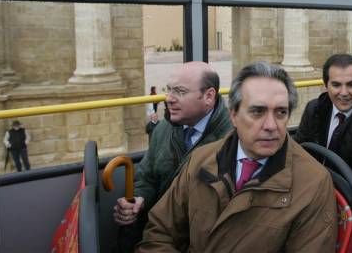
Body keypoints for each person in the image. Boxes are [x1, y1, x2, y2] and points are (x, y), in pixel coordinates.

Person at [137, 62, 338, 252]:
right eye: (257, 112)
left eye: (280, 112)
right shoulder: (200, 159)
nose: (271, 125)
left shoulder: (314, 183)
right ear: (233, 115)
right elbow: (159, 233)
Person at [113, 61, 232, 251]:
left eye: (180, 92)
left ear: (209, 96)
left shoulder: (232, 140)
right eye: (169, 90)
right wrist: (138, 200)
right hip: (159, 233)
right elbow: (147, 177)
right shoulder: (164, 129)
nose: (169, 98)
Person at [293, 53, 352, 170]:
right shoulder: (314, 108)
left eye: (351, 84)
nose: (344, 92)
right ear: (326, 85)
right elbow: (298, 148)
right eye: (336, 85)